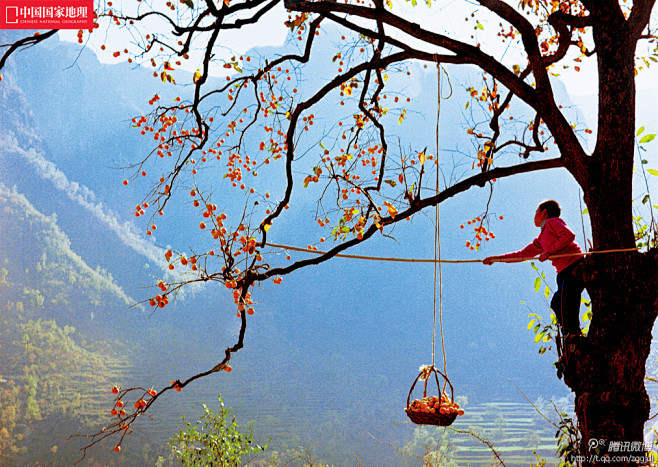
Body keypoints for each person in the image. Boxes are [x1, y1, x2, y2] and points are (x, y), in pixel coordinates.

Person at [483, 200, 585, 337]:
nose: (534, 216)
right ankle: (571, 336)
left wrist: (549, 252)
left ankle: (573, 334)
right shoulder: (541, 239)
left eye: (536, 211)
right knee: (559, 303)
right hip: (562, 272)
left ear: (544, 212)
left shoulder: (552, 222)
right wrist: (496, 259)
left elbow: (569, 236)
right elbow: (521, 255)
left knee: (561, 300)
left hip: (574, 264)